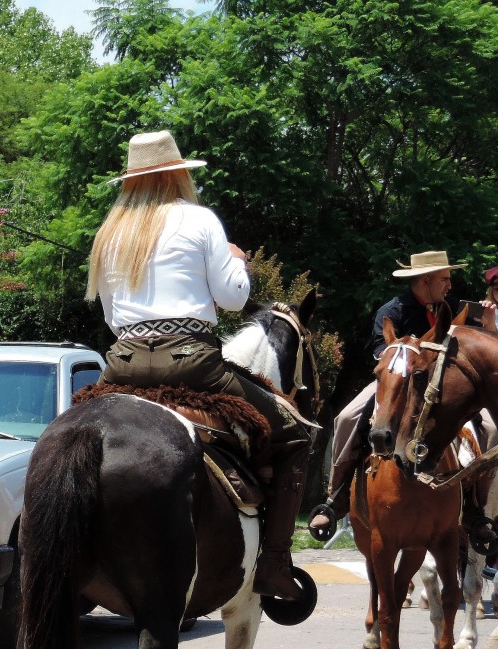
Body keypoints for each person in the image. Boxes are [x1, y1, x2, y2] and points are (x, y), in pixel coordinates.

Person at [86, 130, 314, 601]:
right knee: (293, 432)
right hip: (194, 365)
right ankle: (273, 564)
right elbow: (234, 300)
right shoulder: (200, 219)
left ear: (131, 179)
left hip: (121, 364)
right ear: (176, 173)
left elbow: (111, 320)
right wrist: (237, 264)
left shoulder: (111, 231)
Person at [307, 251, 465, 539]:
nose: (449, 285)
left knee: (486, 425)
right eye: (445, 279)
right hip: (395, 385)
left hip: (443, 388)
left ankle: (478, 511)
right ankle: (336, 497)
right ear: (426, 280)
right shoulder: (391, 312)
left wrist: (489, 316)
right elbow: (383, 356)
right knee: (346, 417)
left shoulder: (452, 307)